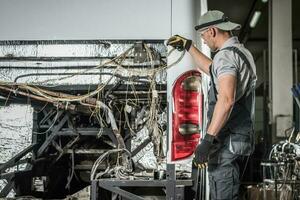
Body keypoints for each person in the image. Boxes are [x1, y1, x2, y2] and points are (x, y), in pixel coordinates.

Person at [167, 10, 257, 199]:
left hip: (227, 141)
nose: (205, 41)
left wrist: (207, 140)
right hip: (239, 140)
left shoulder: (225, 57)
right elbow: (211, 68)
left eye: (203, 36)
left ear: (213, 31)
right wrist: (189, 46)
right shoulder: (240, 53)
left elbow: (226, 99)